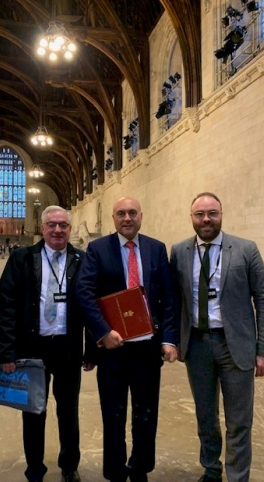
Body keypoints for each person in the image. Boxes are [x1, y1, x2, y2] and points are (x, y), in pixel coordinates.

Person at [170, 192, 264, 482]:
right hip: (197, 345)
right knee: (205, 416)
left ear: (221, 215)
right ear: (191, 217)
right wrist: (171, 340)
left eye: (212, 213)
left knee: (239, 420)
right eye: (200, 214)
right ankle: (211, 469)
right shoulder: (179, 251)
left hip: (236, 346)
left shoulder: (245, 249)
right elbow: (174, 300)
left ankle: (238, 475)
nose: (206, 219)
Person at [75, 196, 177, 482]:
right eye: (121, 213)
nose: (127, 218)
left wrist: (169, 338)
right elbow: (84, 293)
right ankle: (116, 471)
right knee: (114, 414)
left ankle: (140, 467)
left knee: (146, 414)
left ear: (141, 216)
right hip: (113, 348)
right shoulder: (97, 249)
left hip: (147, 347)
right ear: (113, 218)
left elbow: (168, 298)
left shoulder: (156, 249)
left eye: (132, 213)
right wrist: (103, 332)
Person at [0, 205, 95, 482]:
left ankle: (69, 466)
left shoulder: (82, 259)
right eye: (52, 224)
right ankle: (35, 469)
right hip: (32, 347)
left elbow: (91, 307)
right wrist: (7, 351)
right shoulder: (22, 258)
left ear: (70, 229)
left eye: (63, 225)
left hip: (67, 348)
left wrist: (91, 350)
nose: (57, 230)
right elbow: (6, 306)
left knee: (68, 411)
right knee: (33, 412)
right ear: (42, 228)